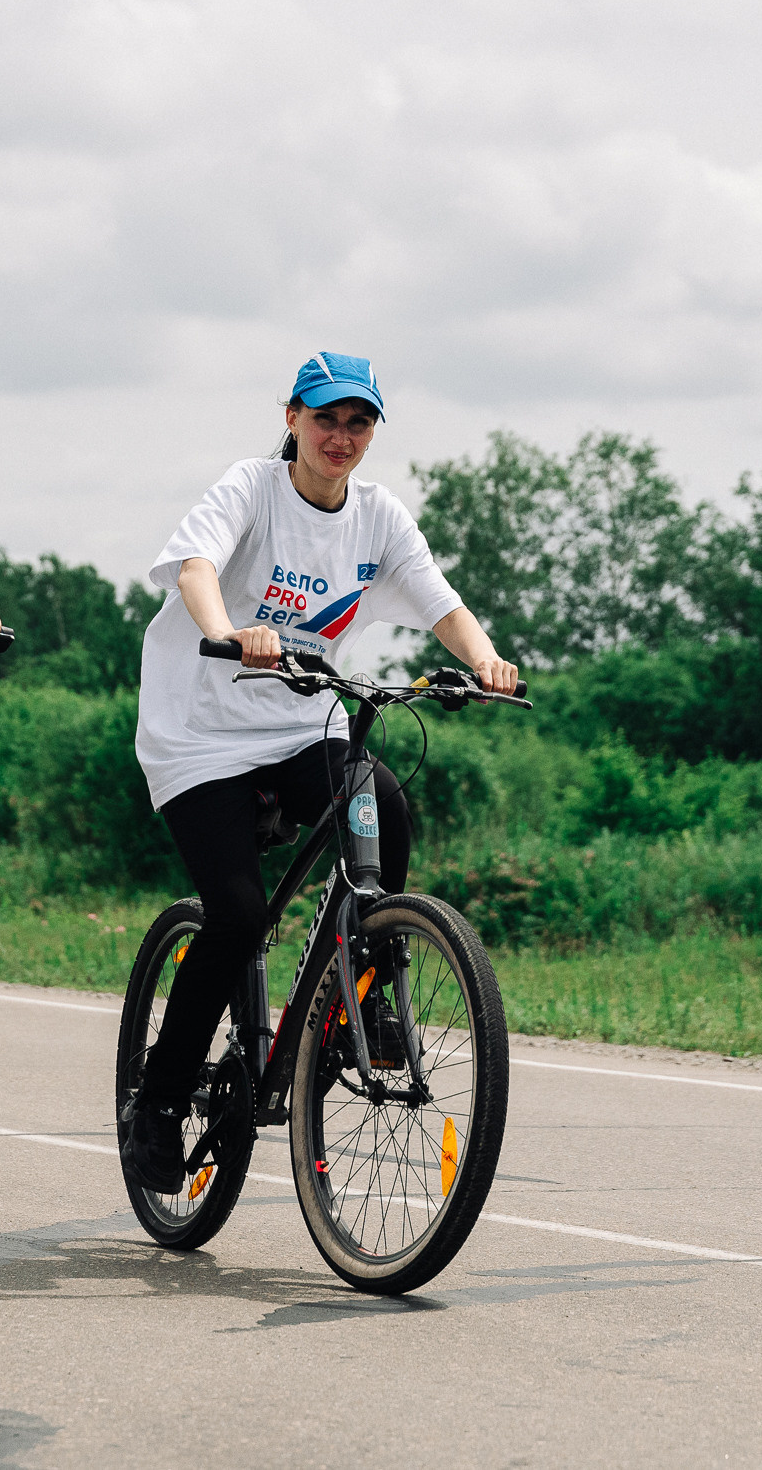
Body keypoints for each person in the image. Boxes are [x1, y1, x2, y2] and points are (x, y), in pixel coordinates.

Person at [123, 351, 520, 1193]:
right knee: (235, 915)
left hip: (305, 720)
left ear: (372, 432)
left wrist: (485, 660)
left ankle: (370, 993)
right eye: (327, 418)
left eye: (359, 422)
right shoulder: (252, 488)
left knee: (383, 803)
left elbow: (437, 596)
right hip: (202, 733)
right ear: (294, 417)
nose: (341, 436)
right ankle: (157, 1101)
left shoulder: (378, 518)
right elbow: (196, 564)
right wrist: (230, 629)